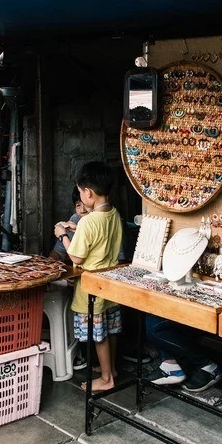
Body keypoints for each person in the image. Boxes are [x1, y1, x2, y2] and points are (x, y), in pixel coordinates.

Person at [55, 162, 123, 391]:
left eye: (82, 191)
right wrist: (77, 230)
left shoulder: (86, 222)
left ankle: (106, 379)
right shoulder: (113, 213)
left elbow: (76, 258)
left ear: (88, 193)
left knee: (99, 335)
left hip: (92, 288)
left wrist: (63, 234)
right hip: (111, 284)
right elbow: (99, 238)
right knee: (111, 329)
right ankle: (111, 368)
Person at [145, 315, 222, 392]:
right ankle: (170, 364)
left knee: (155, 328)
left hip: (206, 317)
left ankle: (207, 365)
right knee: (154, 312)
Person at [50, 186, 89, 263]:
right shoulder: (75, 219)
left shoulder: (100, 220)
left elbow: (77, 259)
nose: (83, 210)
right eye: (78, 205)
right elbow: (58, 253)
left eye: (86, 204)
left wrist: (63, 236)